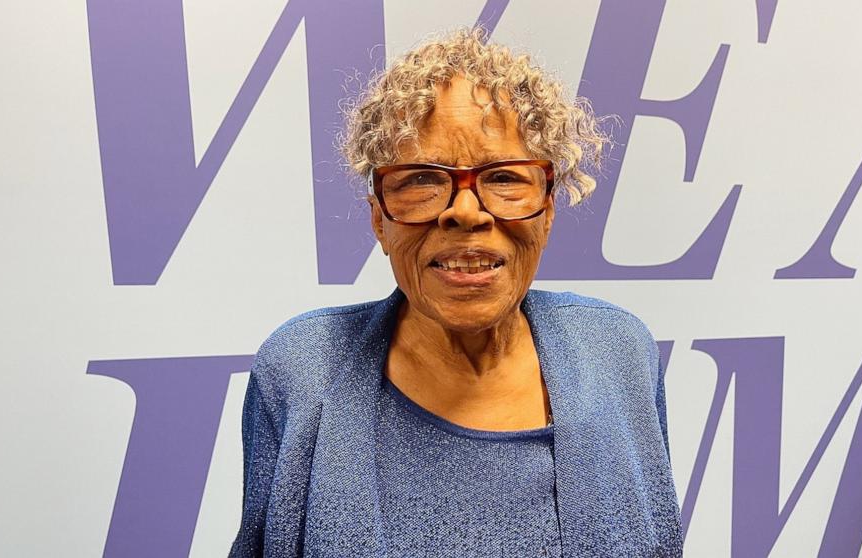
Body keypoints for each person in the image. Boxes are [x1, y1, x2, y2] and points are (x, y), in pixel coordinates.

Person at [230, 28, 683, 557]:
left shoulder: (617, 352)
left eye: (505, 178)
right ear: (379, 218)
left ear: (549, 205)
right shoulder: (302, 369)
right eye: (421, 179)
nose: (465, 212)